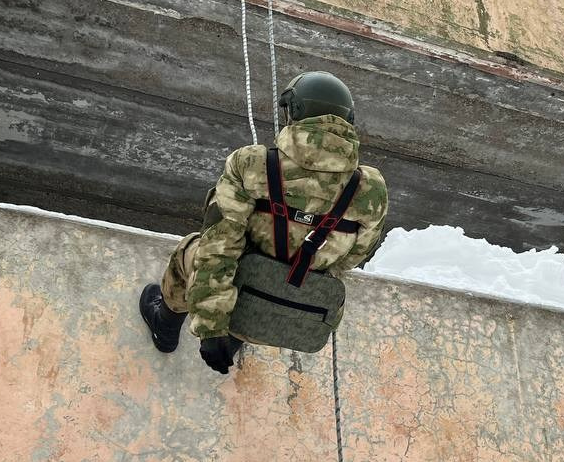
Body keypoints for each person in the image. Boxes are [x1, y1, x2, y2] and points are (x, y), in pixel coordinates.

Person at [139, 72, 389, 374]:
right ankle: (239, 334)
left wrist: (210, 327)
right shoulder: (371, 187)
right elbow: (354, 256)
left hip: (240, 289)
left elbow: (219, 246)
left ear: (294, 112)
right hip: (292, 310)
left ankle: (164, 328)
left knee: (190, 249)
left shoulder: (252, 163)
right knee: (272, 280)